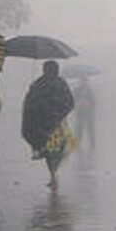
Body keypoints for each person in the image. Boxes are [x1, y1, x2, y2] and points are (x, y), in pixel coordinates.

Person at [21, 60, 76, 190]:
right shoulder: (61, 83)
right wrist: (60, 115)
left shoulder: (37, 84)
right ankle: (53, 175)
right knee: (57, 150)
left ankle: (53, 175)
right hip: (58, 125)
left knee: (49, 151)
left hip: (42, 126)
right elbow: (69, 102)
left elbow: (29, 105)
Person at [72, 77, 96, 154]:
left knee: (89, 127)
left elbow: (93, 101)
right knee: (79, 127)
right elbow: (73, 100)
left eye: (85, 82)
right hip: (80, 111)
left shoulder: (89, 91)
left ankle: (92, 142)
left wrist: (90, 104)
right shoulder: (77, 90)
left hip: (88, 111)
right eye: (83, 82)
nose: (84, 83)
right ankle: (77, 141)